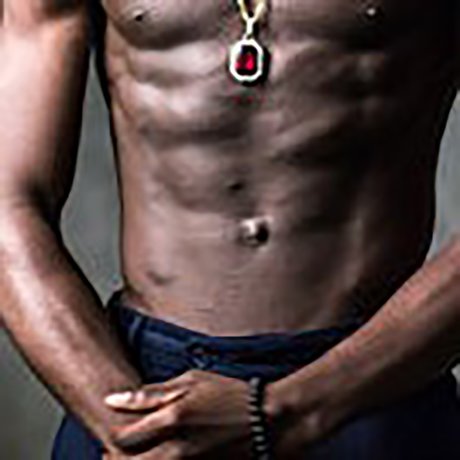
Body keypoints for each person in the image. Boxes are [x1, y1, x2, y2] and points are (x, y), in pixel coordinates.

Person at [1, 0, 460, 458]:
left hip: (371, 384)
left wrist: (290, 411)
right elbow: (10, 202)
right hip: (134, 384)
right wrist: (135, 431)